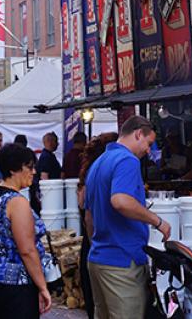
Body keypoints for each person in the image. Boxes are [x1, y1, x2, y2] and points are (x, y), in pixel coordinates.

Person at [83, 116, 169, 319]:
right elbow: (120, 201)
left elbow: (88, 217)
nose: (149, 150)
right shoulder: (127, 160)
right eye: (148, 144)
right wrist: (158, 221)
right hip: (122, 263)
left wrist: (99, 245)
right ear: (138, 133)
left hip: (98, 260)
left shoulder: (98, 163)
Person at [0, 143, 54, 318]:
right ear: (14, 170)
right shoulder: (17, 202)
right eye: (29, 167)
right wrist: (42, 286)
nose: (34, 172)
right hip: (17, 283)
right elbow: (27, 249)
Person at [77, 132, 118, 319]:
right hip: (97, 246)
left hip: (91, 247)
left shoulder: (89, 172)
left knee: (96, 306)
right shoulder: (100, 173)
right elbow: (88, 218)